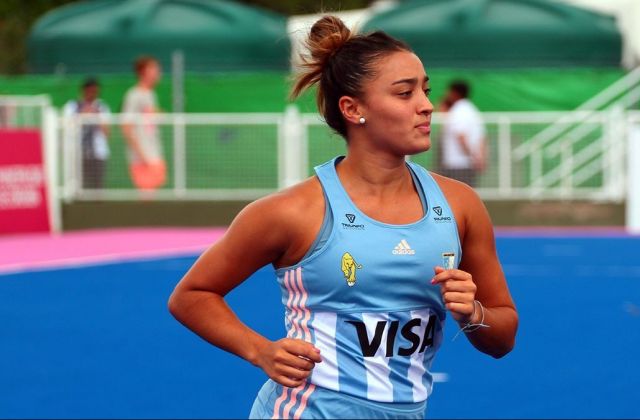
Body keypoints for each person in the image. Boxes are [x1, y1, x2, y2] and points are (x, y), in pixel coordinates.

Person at [168, 16, 517, 419]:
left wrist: (472, 313)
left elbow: (503, 335)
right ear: (352, 109)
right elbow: (191, 295)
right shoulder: (293, 212)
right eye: (404, 93)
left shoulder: (460, 205)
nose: (426, 105)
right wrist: (260, 350)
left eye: (425, 90)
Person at [121, 55, 166, 192]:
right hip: (142, 159)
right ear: (143, 72)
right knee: (147, 196)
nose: (158, 72)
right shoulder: (134, 95)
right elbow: (126, 128)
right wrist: (143, 156)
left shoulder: (151, 95)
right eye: (154, 68)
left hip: (154, 154)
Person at [63, 77, 111, 189]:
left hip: (97, 153)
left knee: (97, 186)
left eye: (95, 91)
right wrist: (81, 115)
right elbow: (67, 129)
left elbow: (107, 132)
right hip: (78, 153)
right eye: (90, 91)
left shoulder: (102, 107)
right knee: (79, 186)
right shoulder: (72, 106)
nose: (92, 94)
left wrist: (96, 117)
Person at [439, 81, 487, 187]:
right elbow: (482, 137)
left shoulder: (458, 111)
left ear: (455, 93)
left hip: (456, 164)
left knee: (454, 198)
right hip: (468, 164)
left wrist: (472, 157)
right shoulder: (473, 110)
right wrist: (479, 158)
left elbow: (461, 137)